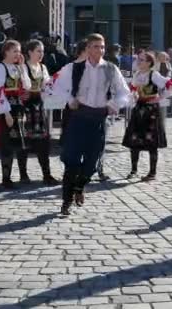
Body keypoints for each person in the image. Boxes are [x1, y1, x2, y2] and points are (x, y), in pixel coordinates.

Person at [53, 33, 130, 215]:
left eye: (102, 47)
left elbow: (124, 93)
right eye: (96, 46)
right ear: (87, 48)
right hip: (78, 117)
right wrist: (69, 99)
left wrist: (114, 104)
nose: (100, 50)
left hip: (98, 118)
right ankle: (66, 201)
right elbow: (54, 85)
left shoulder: (111, 69)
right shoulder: (74, 68)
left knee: (93, 163)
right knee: (71, 161)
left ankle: (79, 186)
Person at [0, 40, 32, 190]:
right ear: (6, 52)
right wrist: (6, 113)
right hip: (6, 110)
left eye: (19, 51)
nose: (18, 54)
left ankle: (24, 174)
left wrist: (22, 68)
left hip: (19, 109)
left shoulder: (17, 68)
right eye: (15, 51)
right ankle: (6, 178)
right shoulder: (0, 69)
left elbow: (27, 85)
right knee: (7, 145)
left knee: (22, 144)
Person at [123, 52, 170, 181]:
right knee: (134, 140)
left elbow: (169, 85)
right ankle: (133, 170)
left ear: (149, 62)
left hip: (151, 111)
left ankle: (152, 172)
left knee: (151, 141)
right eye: (138, 60)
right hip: (139, 109)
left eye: (142, 60)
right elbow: (133, 90)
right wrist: (133, 96)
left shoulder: (154, 74)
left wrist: (159, 98)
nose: (139, 62)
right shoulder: (137, 75)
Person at [21, 40, 60, 186]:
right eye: (38, 51)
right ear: (30, 52)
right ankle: (23, 175)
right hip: (27, 107)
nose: (41, 54)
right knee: (24, 142)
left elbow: (47, 86)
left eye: (42, 51)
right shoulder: (23, 67)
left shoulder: (42, 67)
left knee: (44, 142)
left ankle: (47, 174)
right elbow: (25, 86)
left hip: (39, 106)